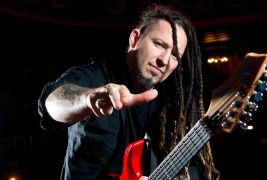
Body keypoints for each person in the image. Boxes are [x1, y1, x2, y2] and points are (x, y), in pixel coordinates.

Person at [38, 4, 219, 180]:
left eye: (175, 55)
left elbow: (197, 167)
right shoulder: (95, 76)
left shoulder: (178, 101)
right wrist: (88, 98)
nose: (164, 60)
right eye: (158, 44)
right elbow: (52, 104)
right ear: (134, 39)